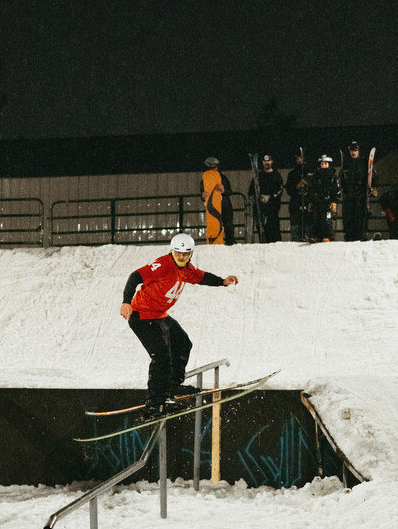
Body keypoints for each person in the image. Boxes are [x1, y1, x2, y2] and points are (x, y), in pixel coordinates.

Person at [120, 233, 238, 417]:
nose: (181, 257)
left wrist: (222, 282)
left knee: (183, 344)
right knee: (160, 355)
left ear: (190, 253)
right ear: (172, 251)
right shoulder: (163, 265)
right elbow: (135, 276)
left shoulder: (187, 269)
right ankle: (154, 403)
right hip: (141, 316)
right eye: (178, 253)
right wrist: (126, 301)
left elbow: (202, 277)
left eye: (185, 254)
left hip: (160, 316)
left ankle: (172, 386)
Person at [340, 141, 374, 241]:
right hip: (348, 195)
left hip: (360, 195)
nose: (353, 152)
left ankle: (361, 236)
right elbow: (341, 179)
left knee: (360, 217)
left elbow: (373, 177)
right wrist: (342, 189)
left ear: (359, 151)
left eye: (355, 150)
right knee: (348, 217)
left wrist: (373, 188)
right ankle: (349, 237)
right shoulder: (346, 164)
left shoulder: (364, 163)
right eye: (351, 150)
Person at [248, 154, 284, 242]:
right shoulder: (258, 176)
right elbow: (251, 191)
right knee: (262, 233)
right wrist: (254, 198)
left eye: (268, 161)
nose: (266, 163)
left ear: (272, 162)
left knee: (273, 232)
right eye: (264, 161)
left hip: (272, 210)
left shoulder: (276, 175)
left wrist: (270, 197)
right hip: (260, 209)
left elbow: (280, 190)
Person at [200, 157, 234, 245]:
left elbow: (230, 191)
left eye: (214, 167)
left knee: (228, 224)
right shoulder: (204, 180)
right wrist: (203, 196)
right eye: (210, 168)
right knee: (214, 224)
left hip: (224, 204)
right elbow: (202, 194)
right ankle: (214, 241)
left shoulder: (223, 178)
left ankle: (230, 242)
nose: (213, 169)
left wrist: (223, 190)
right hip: (212, 205)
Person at [307, 155, 340, 241]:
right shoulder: (315, 176)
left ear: (329, 164)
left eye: (325, 164)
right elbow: (312, 189)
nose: (324, 166)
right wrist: (311, 201)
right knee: (316, 219)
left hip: (328, 202)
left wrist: (334, 202)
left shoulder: (333, 176)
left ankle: (328, 237)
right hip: (317, 202)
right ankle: (316, 236)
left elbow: (336, 190)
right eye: (322, 164)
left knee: (327, 220)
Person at [285, 152, 309, 241]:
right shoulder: (292, 174)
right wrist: (296, 186)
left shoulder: (310, 172)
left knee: (309, 234)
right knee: (296, 234)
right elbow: (289, 190)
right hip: (295, 206)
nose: (299, 160)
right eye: (297, 158)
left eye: (301, 158)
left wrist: (307, 184)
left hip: (308, 206)